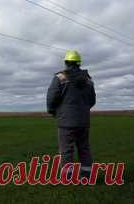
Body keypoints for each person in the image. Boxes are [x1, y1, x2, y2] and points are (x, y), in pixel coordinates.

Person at [47, 50, 96, 178]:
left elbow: (51, 98)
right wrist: (82, 110)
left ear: (66, 62)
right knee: (84, 148)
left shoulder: (60, 77)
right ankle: (87, 175)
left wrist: (54, 111)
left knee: (66, 150)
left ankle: (68, 177)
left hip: (65, 121)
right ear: (79, 63)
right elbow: (92, 100)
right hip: (84, 121)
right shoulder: (88, 80)